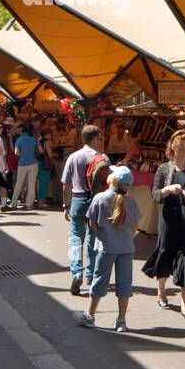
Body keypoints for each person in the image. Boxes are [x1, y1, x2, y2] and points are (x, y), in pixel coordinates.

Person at [141, 130, 185, 319]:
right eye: (180, 149)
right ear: (173, 147)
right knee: (165, 253)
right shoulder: (164, 168)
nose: (184, 153)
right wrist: (167, 190)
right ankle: (161, 289)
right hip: (169, 219)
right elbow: (155, 195)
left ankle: (184, 304)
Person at [74, 166, 142, 332]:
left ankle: (90, 315)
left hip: (106, 247)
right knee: (124, 284)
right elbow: (135, 226)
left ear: (114, 179)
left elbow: (92, 223)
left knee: (99, 280)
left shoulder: (100, 198)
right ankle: (121, 320)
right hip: (126, 248)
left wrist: (104, 234)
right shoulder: (131, 201)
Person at [61, 125, 106, 295]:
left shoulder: (73, 157)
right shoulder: (102, 158)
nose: (100, 142)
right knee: (94, 239)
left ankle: (76, 271)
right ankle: (91, 273)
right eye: (99, 138)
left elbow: (66, 185)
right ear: (94, 139)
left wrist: (66, 206)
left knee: (76, 238)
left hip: (78, 199)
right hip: (96, 201)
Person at [12, 121, 40, 210]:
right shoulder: (34, 139)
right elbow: (41, 151)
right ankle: (29, 204)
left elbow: (16, 152)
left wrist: (23, 155)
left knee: (19, 183)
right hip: (33, 163)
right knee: (31, 185)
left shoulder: (19, 140)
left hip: (22, 163)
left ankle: (14, 203)